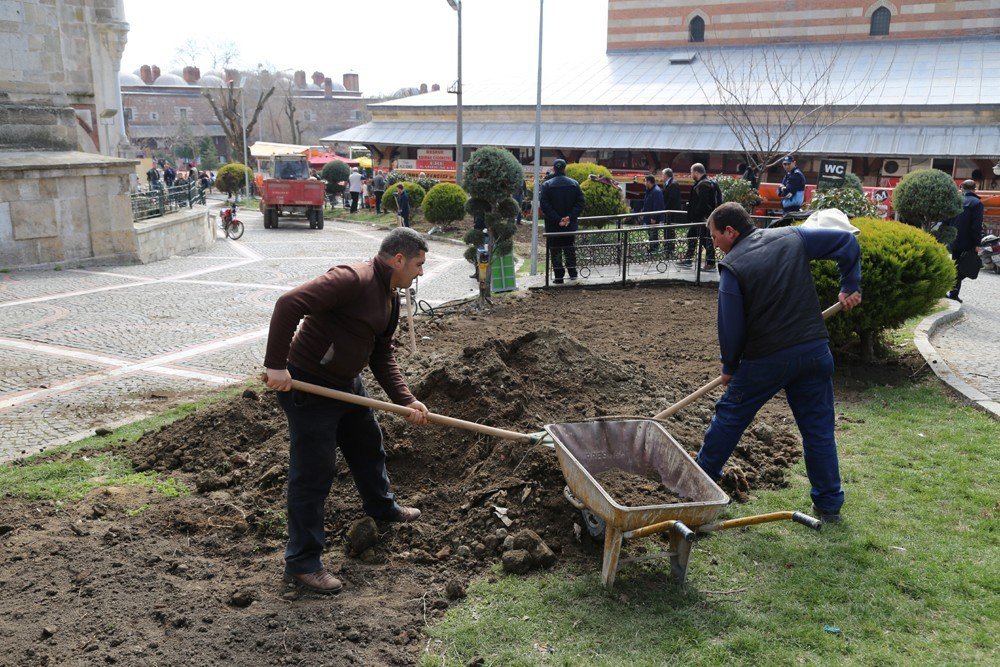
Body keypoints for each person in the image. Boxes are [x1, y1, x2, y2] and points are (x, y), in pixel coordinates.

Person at [263, 227, 431, 594]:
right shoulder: (352, 279)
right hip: (309, 385)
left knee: (368, 444)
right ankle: (302, 564)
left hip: (346, 383)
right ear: (398, 259)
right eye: (418, 264)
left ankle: (382, 508)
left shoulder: (388, 297)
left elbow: (382, 355)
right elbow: (288, 303)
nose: (420, 272)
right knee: (314, 472)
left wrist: (406, 401)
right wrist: (276, 364)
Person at [694, 202, 862, 523]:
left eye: (715, 236)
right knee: (818, 432)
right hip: (814, 352)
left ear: (731, 232)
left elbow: (730, 327)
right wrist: (850, 285)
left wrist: (729, 366)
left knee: (729, 418)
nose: (714, 243)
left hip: (766, 360)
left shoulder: (733, 266)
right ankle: (829, 506)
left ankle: (697, 488)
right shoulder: (793, 236)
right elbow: (846, 242)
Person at [538, 158, 585, 284]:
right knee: (569, 247)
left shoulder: (547, 185)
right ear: (565, 169)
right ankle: (573, 273)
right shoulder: (574, 184)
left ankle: (559, 276)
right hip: (570, 224)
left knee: (555, 249)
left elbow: (545, 205)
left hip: (553, 225)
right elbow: (580, 202)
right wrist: (569, 217)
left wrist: (558, 219)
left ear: (553, 169)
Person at [944, 180, 984, 303]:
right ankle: (950, 289)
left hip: (954, 240)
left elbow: (946, 220)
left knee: (957, 266)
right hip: (968, 242)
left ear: (961, 188)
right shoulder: (977, 203)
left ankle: (952, 292)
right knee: (967, 267)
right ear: (975, 188)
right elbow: (976, 226)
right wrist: (977, 243)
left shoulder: (955, 201)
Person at [680, 163, 722, 270]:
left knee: (705, 240)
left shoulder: (703, 184)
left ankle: (710, 263)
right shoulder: (711, 182)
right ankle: (688, 259)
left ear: (696, 172)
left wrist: (696, 214)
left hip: (702, 219)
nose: (690, 174)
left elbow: (703, 203)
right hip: (706, 218)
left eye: (691, 172)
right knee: (692, 236)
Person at [641, 174, 665, 255]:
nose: (644, 183)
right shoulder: (650, 190)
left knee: (653, 234)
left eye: (645, 181)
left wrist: (654, 217)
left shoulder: (656, 191)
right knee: (651, 234)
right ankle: (653, 249)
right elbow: (647, 203)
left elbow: (657, 205)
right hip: (648, 216)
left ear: (649, 182)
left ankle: (654, 250)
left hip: (653, 218)